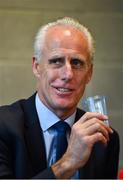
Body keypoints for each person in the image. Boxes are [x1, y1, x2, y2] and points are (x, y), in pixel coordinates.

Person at [0, 17, 119, 179]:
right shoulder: (4, 126)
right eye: (56, 61)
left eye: (76, 63)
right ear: (37, 67)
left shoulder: (103, 137)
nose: (68, 74)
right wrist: (69, 162)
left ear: (89, 73)